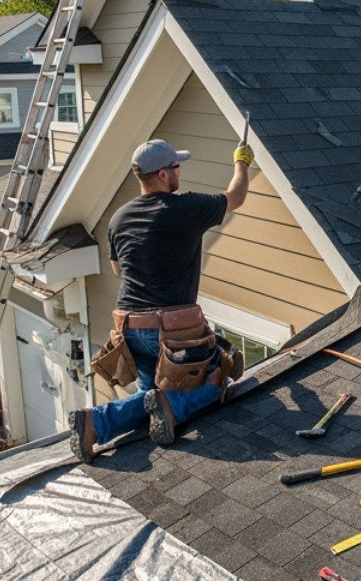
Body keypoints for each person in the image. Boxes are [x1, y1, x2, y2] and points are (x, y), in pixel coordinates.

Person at [69, 137, 252, 461]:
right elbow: (236, 197)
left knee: (148, 397)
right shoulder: (187, 208)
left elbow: (117, 269)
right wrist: (242, 161)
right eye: (177, 166)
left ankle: (94, 423)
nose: (180, 171)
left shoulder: (119, 218)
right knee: (217, 377)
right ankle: (171, 407)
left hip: (128, 332)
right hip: (171, 331)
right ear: (164, 175)